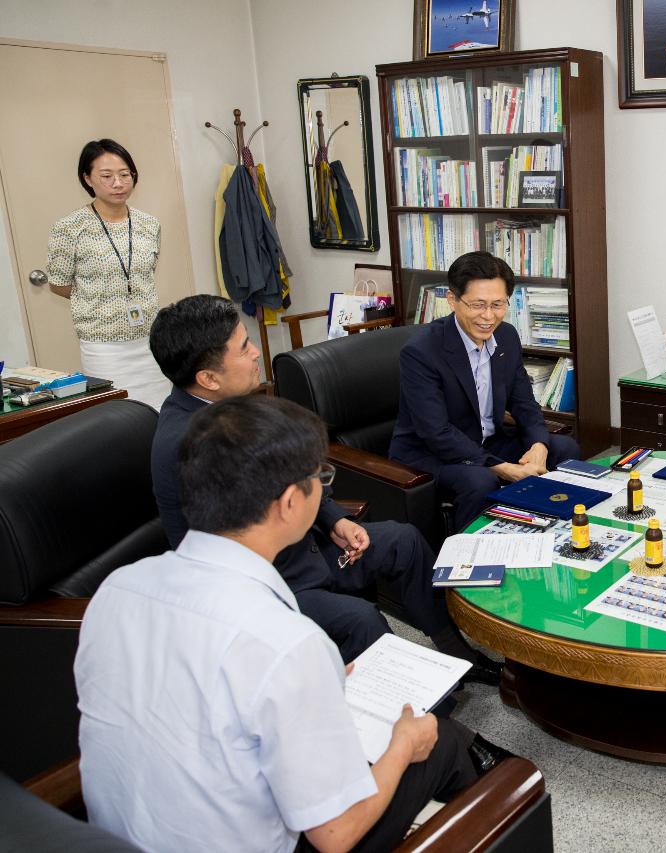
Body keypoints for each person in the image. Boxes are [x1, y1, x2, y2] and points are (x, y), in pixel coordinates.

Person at [75, 395, 506, 852]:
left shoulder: (117, 590)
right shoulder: (287, 642)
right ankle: (501, 793)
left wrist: (309, 688)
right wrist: (402, 748)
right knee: (433, 744)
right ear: (288, 503)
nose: (323, 487)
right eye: (321, 477)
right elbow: (334, 835)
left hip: (119, 837)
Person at [147, 295, 501, 686]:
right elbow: (236, 545)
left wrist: (334, 520)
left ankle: (457, 653)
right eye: (244, 347)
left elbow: (292, 479)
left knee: (405, 541)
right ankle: (427, 726)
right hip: (267, 584)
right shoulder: (192, 443)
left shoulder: (229, 406)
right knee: (361, 622)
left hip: (305, 549)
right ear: (208, 378)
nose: (254, 354)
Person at [389, 251, 580, 527]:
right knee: (481, 479)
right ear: (453, 300)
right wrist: (503, 468)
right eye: (478, 305)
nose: (488, 317)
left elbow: (525, 403)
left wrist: (538, 446)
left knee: (563, 448)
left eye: (498, 305)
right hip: (430, 453)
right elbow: (436, 432)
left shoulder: (506, 336)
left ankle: (551, 530)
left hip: (486, 440)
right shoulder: (421, 352)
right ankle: (469, 560)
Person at [46, 139, 169, 410]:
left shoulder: (149, 224)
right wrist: (98, 298)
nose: (118, 183)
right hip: (104, 347)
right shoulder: (69, 228)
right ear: (87, 178)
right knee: (121, 421)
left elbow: (144, 275)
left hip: (150, 339)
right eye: (107, 176)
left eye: (125, 174)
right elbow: (59, 284)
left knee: (161, 412)